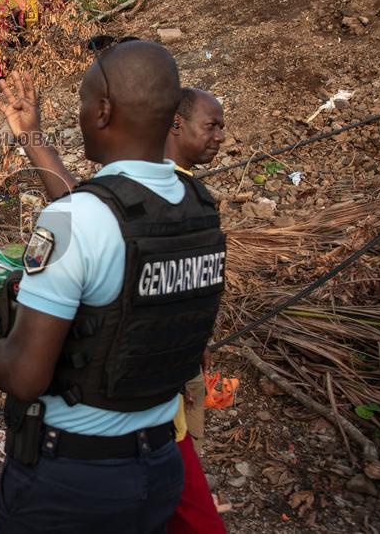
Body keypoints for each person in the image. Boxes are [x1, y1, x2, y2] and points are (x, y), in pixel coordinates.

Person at [0, 38, 225, 531]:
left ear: (104, 111)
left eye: (85, 102)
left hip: (71, 482)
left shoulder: (75, 220)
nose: (82, 112)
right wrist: (31, 136)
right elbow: (103, 211)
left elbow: (25, 375)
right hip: (158, 469)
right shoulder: (198, 207)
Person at [164, 87, 228, 534]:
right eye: (211, 126)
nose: (220, 136)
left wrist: (199, 335)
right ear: (176, 123)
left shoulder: (188, 189)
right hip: (166, 375)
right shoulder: (167, 192)